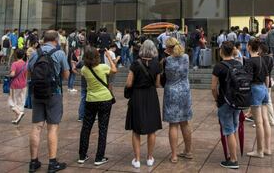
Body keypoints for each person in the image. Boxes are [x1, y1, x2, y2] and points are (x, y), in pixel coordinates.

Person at [28, 30, 70, 173]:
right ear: (56, 40)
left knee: (36, 127)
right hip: (54, 93)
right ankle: (52, 162)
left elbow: (29, 73)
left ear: (43, 39)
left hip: (37, 93)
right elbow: (65, 75)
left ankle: (33, 162)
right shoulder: (60, 54)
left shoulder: (34, 53)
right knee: (52, 127)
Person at [125, 40, 162, 169]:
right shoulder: (156, 64)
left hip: (137, 96)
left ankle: (137, 159)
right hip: (151, 96)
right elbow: (157, 84)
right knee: (151, 129)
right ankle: (150, 157)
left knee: (136, 129)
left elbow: (129, 83)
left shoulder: (135, 64)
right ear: (153, 50)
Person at [78, 46, 117, 166]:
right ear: (97, 56)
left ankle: (82, 155)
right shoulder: (103, 67)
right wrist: (109, 57)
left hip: (90, 100)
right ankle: (99, 157)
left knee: (86, 128)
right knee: (103, 128)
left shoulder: (84, 69)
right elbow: (114, 70)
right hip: (105, 99)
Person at [162, 37, 193, 163]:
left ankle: (174, 155)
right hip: (185, 91)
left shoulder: (167, 60)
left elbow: (163, 75)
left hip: (171, 92)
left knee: (173, 124)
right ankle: (188, 151)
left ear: (168, 48)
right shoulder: (186, 57)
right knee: (185, 122)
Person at [211, 41, 241, 169]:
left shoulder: (219, 66)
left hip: (225, 101)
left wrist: (217, 99)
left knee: (228, 130)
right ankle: (234, 155)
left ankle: (233, 160)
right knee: (234, 128)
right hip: (237, 101)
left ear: (222, 51)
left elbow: (213, 87)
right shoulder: (239, 64)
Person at [245, 39, 271, 158]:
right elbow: (267, 76)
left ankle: (259, 150)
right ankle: (267, 148)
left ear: (249, 47)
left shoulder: (250, 61)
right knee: (265, 121)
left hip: (255, 89)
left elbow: (248, 79)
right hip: (263, 88)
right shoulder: (262, 58)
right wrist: (266, 90)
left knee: (258, 122)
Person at [8, 49, 28, 125]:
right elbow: (27, 75)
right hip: (23, 85)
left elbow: (13, 74)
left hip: (15, 85)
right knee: (20, 101)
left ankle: (19, 114)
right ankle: (17, 118)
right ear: (23, 56)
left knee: (12, 102)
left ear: (16, 55)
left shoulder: (15, 64)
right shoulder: (26, 64)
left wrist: (9, 75)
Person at [259, 43, 274, 126]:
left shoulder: (261, 59)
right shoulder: (270, 58)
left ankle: (261, 121)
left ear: (261, 50)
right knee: (268, 102)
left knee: (261, 103)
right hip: (268, 80)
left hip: (262, 82)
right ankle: (271, 120)